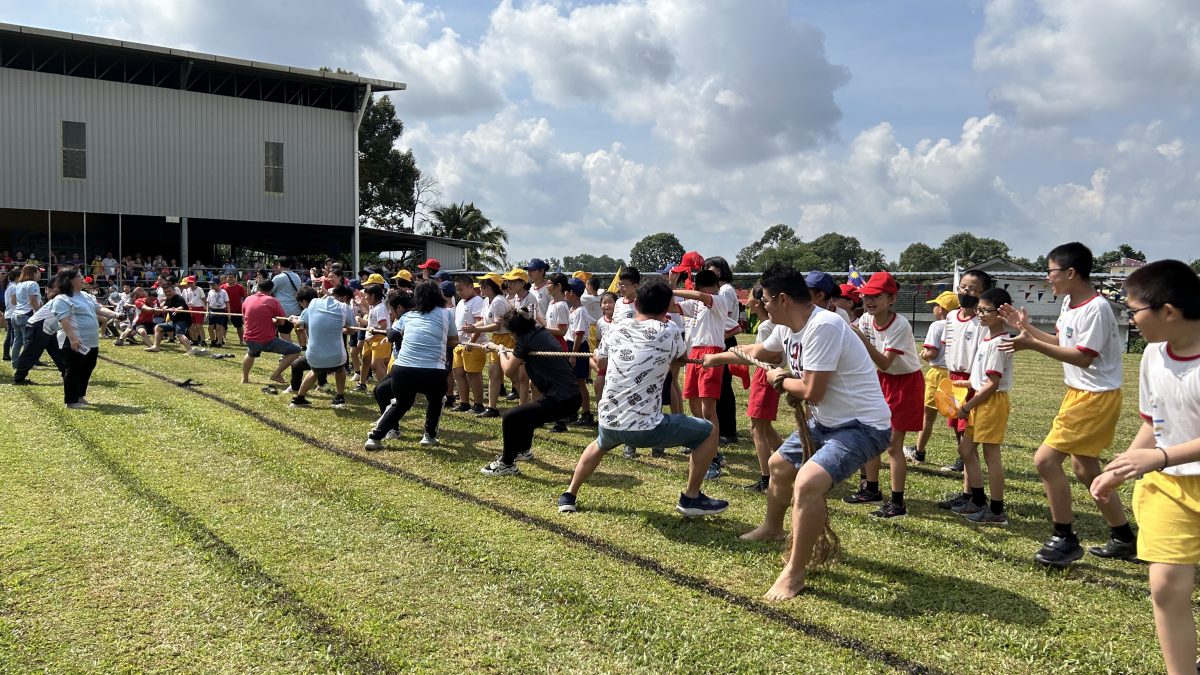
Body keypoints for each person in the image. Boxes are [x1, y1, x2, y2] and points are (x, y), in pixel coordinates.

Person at [721, 263, 891, 601]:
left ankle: (794, 574)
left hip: (863, 426)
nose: (762, 305)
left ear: (782, 299)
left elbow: (813, 391)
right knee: (779, 466)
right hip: (826, 422)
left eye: (765, 299)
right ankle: (772, 528)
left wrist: (780, 378)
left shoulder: (823, 327)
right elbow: (760, 352)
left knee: (808, 483)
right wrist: (717, 358)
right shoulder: (786, 327)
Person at [1090, 260, 1200, 675]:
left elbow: (1162, 448)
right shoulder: (1153, 356)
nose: (1129, 319)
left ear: (1168, 311)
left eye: (1134, 311)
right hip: (1168, 488)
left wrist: (1161, 457)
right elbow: (1154, 425)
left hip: (1167, 467)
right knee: (1166, 589)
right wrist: (1119, 468)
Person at [1000, 242, 1137, 567]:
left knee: (1046, 461)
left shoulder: (1096, 308)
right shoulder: (1070, 304)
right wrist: (1025, 329)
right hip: (1080, 394)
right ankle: (1124, 537)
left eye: (1051, 272)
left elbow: (1083, 357)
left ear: (1071, 272)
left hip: (1094, 397)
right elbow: (1063, 343)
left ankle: (1064, 538)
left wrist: (1031, 345)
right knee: (1084, 467)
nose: (1049, 279)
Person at [556, 281, 727, 516]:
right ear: (666, 307)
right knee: (708, 431)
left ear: (636, 303)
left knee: (598, 444)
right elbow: (680, 359)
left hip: (609, 422)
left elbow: (600, 363)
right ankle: (691, 497)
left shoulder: (616, 328)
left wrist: (597, 356)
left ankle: (569, 494)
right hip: (647, 429)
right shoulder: (670, 331)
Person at [844, 270, 924, 519]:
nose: (869, 300)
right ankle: (871, 489)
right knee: (870, 436)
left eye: (877, 296)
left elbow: (886, 362)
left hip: (903, 383)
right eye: (867, 295)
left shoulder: (899, 324)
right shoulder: (866, 320)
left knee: (892, 445)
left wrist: (861, 339)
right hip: (879, 380)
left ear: (891, 299)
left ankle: (898, 503)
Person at [479, 306, 582, 476]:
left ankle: (506, 464)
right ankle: (523, 450)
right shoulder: (540, 332)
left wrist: (499, 350)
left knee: (511, 417)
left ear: (514, 331)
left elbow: (509, 371)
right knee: (528, 416)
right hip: (570, 396)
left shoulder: (525, 340)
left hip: (562, 400)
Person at [364, 280, 458, 449]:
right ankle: (429, 436)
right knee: (436, 400)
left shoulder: (408, 316)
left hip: (403, 369)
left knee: (401, 403)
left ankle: (375, 437)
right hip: (433, 370)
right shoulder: (446, 313)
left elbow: (392, 334)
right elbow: (454, 341)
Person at [949, 287, 1015, 525]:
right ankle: (978, 500)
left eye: (986, 311)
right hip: (980, 399)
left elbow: (993, 384)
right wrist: (969, 382)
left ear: (1001, 313)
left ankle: (996, 510)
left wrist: (967, 407)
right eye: (979, 309)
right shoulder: (988, 337)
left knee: (991, 455)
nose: (980, 314)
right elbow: (984, 378)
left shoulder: (999, 342)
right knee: (965, 450)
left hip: (989, 403)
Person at [674, 269, 737, 479]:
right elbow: (673, 307)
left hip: (712, 352)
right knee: (692, 401)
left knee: (708, 409)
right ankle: (705, 444)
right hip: (694, 353)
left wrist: (673, 289)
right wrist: (659, 296)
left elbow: (701, 297)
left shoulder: (718, 300)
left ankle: (711, 456)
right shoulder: (697, 304)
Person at [937, 269, 993, 482]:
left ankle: (970, 475)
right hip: (953, 378)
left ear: (982, 293)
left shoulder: (982, 321)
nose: (966, 292)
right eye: (963, 287)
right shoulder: (951, 316)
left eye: (972, 289)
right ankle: (963, 461)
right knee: (955, 424)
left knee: (967, 430)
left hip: (971, 380)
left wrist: (973, 382)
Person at [51, 267, 119, 408]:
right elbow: (64, 320)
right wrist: (73, 338)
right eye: (79, 276)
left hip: (91, 341)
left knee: (87, 367)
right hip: (74, 340)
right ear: (68, 280)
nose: (82, 278)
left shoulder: (85, 295)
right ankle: (71, 401)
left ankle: (80, 395)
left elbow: (98, 309)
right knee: (74, 369)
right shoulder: (62, 299)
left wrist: (114, 314)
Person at [905, 291, 959, 464]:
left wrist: (923, 354)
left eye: (936, 305)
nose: (934, 308)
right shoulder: (959, 324)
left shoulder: (937, 326)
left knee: (928, 416)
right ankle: (964, 456)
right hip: (955, 374)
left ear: (942, 309)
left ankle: (919, 452)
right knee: (956, 417)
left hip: (937, 374)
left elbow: (932, 352)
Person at [743, 285, 784, 493]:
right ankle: (792, 464)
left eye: (749, 297)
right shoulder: (768, 324)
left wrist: (747, 354)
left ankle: (766, 478)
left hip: (766, 375)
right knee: (764, 428)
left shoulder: (767, 326)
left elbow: (775, 355)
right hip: (767, 374)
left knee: (757, 428)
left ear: (758, 302)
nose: (746, 301)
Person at [288, 285, 353, 409]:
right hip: (336, 356)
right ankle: (340, 397)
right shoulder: (345, 307)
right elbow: (352, 330)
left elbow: (299, 322)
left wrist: (293, 319)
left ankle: (298, 399)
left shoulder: (311, 306)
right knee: (340, 370)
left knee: (315, 371)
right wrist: (340, 329)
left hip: (314, 356)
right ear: (343, 297)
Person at [462, 273, 512, 417]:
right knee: (493, 373)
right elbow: (485, 322)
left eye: (482, 285)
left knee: (515, 376)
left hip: (507, 338)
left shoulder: (498, 301)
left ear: (489, 287)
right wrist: (472, 326)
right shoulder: (487, 301)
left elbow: (497, 325)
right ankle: (492, 408)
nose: (480, 288)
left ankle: (523, 405)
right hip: (497, 339)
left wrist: (475, 329)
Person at [705, 256, 743, 446]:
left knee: (724, 388)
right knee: (719, 388)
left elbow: (725, 320)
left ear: (719, 270)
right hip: (719, 339)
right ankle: (724, 429)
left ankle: (728, 431)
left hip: (724, 339)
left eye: (709, 269)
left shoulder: (725, 291)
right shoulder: (722, 290)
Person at [239, 278, 300, 384]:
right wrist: (273, 320)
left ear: (258, 288)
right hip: (266, 340)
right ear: (271, 290)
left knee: (251, 353)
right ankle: (276, 374)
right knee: (296, 351)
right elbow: (281, 322)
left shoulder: (247, 299)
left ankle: (245, 379)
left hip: (249, 337)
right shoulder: (273, 301)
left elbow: (245, 317)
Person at [449, 275, 488, 414]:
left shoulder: (477, 301)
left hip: (473, 344)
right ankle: (464, 402)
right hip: (460, 343)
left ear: (471, 287)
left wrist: (472, 341)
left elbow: (479, 324)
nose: (459, 292)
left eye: (461, 289)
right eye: (457, 290)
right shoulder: (460, 302)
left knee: (473, 373)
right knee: (458, 373)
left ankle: (478, 404)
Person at [565, 277, 596, 426]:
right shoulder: (572, 309)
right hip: (570, 345)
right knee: (572, 382)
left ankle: (586, 414)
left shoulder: (580, 311)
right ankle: (572, 412)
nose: (564, 292)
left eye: (566, 290)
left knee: (580, 382)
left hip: (578, 347)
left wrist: (573, 355)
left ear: (572, 293)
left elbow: (579, 334)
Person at [144, 281, 197, 354]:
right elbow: (165, 305)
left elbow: (181, 307)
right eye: (166, 292)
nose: (168, 293)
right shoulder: (168, 299)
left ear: (174, 290)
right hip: (174, 322)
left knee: (179, 334)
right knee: (158, 327)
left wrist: (176, 309)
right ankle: (156, 347)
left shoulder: (178, 298)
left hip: (183, 321)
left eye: (169, 291)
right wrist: (164, 307)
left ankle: (190, 350)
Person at [356, 284, 391, 393]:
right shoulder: (374, 307)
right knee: (366, 360)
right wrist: (362, 321)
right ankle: (362, 384)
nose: (365, 298)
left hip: (379, 338)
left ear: (373, 296)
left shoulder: (380, 308)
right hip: (370, 338)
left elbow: (383, 325)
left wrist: (373, 333)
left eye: (366, 296)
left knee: (376, 365)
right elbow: (372, 324)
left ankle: (386, 391)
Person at [9, 263, 43, 365]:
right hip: (26, 315)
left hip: (16, 315)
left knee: (17, 340)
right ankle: (25, 364)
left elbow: (14, 301)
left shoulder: (19, 284)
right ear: (34, 272)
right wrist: (39, 313)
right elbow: (33, 301)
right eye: (38, 272)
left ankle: (15, 363)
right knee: (27, 342)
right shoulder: (33, 284)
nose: (40, 274)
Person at [270, 257, 303, 343]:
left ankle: (290, 354)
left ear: (279, 265)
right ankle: (298, 350)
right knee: (295, 331)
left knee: (284, 334)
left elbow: (269, 291)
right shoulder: (297, 276)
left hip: (284, 311)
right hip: (297, 310)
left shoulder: (278, 278)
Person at [220, 273, 247, 344]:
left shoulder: (240, 287)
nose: (230, 279)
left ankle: (241, 340)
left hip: (236, 310)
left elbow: (244, 298)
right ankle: (223, 338)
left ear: (235, 278)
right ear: (226, 278)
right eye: (229, 277)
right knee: (223, 325)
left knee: (239, 326)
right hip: (224, 310)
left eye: (232, 277)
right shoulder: (222, 287)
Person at [206, 279, 230, 347]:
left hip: (221, 310)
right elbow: (208, 302)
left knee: (219, 327)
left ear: (218, 284)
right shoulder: (210, 291)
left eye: (213, 284)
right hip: (212, 310)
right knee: (210, 327)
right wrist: (207, 311)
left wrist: (229, 313)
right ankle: (213, 341)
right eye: (210, 284)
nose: (211, 286)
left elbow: (227, 303)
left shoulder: (223, 292)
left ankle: (219, 342)